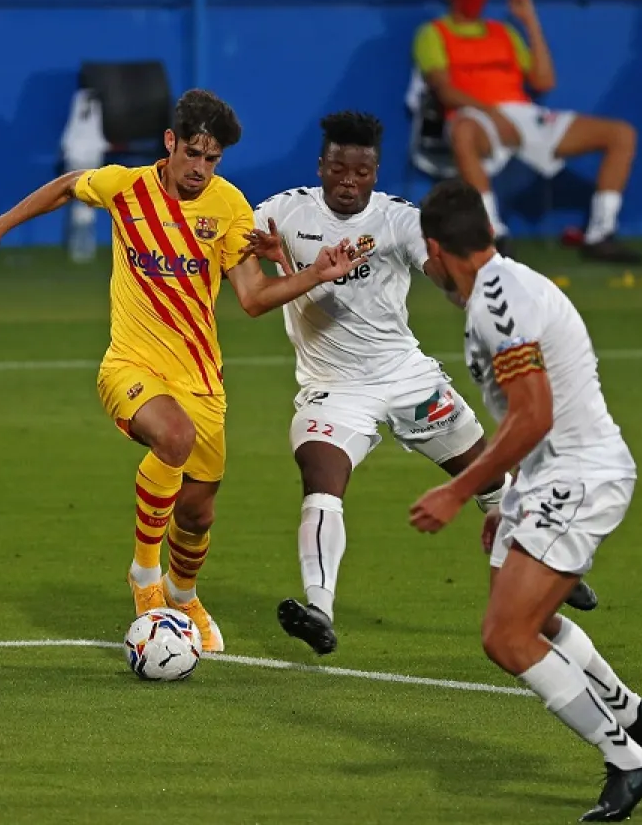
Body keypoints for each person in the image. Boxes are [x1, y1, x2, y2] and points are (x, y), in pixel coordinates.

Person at [0, 89, 366, 652]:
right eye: (194, 154)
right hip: (130, 365)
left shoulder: (229, 207)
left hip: (201, 379)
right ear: (171, 142)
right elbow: (65, 185)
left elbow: (251, 297)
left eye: (213, 160)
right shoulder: (126, 187)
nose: (201, 169)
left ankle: (182, 595)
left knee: (198, 512)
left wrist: (314, 275)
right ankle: (145, 577)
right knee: (172, 438)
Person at [250, 112, 597, 657]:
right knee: (320, 475)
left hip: (407, 378)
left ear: (375, 172)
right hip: (333, 387)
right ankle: (319, 608)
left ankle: (551, 568)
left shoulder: (396, 221)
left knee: (490, 481)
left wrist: (469, 293)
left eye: (360, 171)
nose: (347, 180)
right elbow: (240, 268)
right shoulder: (280, 212)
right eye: (337, 167)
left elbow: (442, 270)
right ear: (320, 166)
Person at [409, 179, 642, 822]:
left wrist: (458, 489)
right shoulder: (506, 288)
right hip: (551, 477)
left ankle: (630, 762)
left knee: (505, 635)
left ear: (437, 251)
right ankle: (633, 712)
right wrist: (512, 499)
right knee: (528, 615)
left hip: (580, 477)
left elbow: (533, 415)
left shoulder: (499, 303)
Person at [413, 0, 642, 264]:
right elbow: (446, 90)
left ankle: (600, 234)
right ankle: (491, 232)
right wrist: (492, 114)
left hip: (522, 114)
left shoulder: (503, 32)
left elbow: (544, 81)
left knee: (621, 134)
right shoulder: (433, 34)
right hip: (474, 116)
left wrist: (530, 21)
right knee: (464, 131)